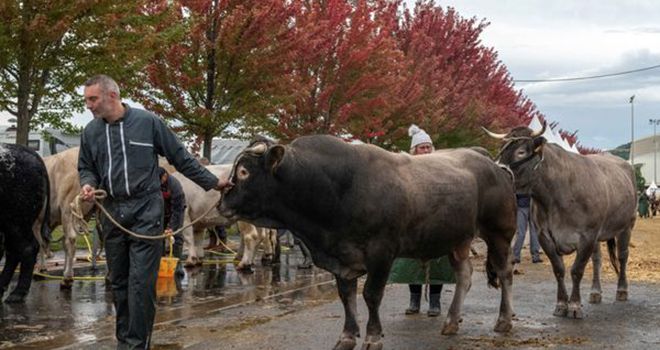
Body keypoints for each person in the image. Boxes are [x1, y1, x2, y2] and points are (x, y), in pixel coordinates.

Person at [78, 74, 230, 349]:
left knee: (141, 284)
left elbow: (180, 157)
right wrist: (88, 184)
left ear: (112, 96)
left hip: (146, 210)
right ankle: (124, 341)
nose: (88, 105)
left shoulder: (148, 123)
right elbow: (86, 167)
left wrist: (213, 182)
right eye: (86, 99)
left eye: (93, 99)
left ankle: (137, 345)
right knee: (119, 282)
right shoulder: (90, 133)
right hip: (112, 211)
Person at [388, 124, 456, 317]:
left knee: (438, 262)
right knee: (412, 264)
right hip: (412, 223)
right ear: (414, 150)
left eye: (428, 147)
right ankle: (414, 300)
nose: (426, 150)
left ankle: (435, 302)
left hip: (437, 221)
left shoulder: (441, 168)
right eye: (422, 147)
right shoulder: (405, 170)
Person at [159, 167, 186, 277]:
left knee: (177, 236)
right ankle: (159, 262)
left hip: (176, 211)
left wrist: (172, 227)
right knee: (158, 237)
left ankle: (178, 264)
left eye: (160, 180)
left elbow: (177, 210)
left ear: (165, 176)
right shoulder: (154, 183)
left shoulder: (175, 186)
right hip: (160, 212)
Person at [513, 193, 542, 264]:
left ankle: (535, 256)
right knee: (523, 233)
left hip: (530, 206)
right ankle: (516, 256)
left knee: (531, 232)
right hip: (523, 206)